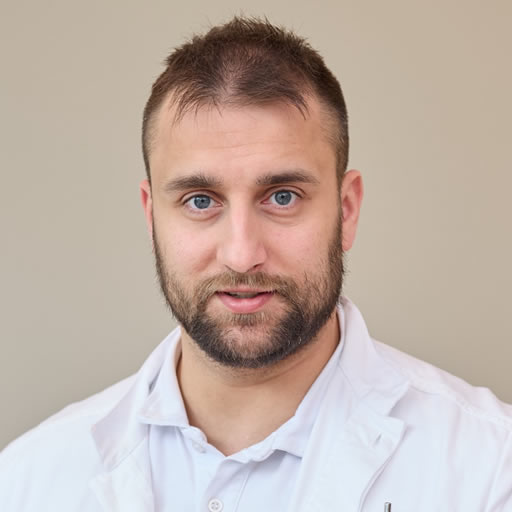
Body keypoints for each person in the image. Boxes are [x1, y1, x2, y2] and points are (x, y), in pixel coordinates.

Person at [1, 16, 511, 512]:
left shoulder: (490, 469)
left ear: (347, 209)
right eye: (201, 201)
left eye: (282, 197)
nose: (242, 254)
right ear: (152, 216)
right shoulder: (26, 482)